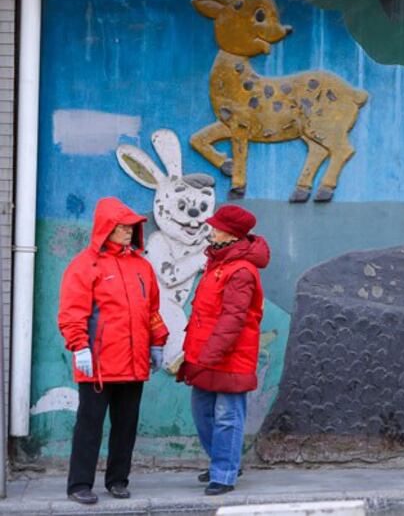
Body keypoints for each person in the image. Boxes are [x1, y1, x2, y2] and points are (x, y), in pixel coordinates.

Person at [58, 197, 168, 504]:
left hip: (133, 363)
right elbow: (72, 312)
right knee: (89, 426)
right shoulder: (84, 265)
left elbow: (152, 310)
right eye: (122, 228)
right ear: (106, 229)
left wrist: (157, 341)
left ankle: (118, 480)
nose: (129, 233)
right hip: (98, 364)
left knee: (126, 427)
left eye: (132, 228)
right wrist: (79, 347)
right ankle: (79, 484)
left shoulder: (142, 267)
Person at [178, 204, 270, 495]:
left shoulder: (240, 271)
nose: (211, 230)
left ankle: (225, 473)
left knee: (228, 415)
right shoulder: (218, 263)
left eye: (216, 227)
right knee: (202, 411)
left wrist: (208, 356)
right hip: (208, 353)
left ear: (229, 234)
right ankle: (225, 460)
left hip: (229, 356)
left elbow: (233, 319)